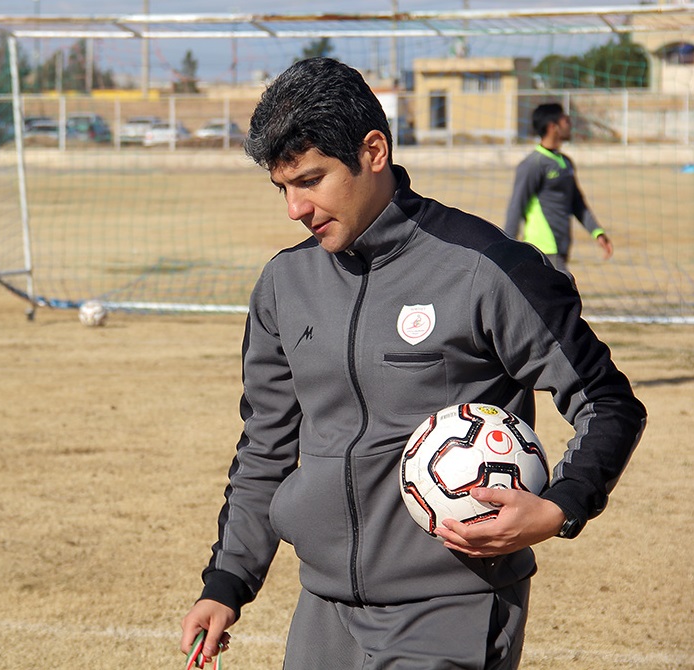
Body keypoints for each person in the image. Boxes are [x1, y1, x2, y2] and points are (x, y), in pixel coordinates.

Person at [180, 58, 646, 669]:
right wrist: (227, 582)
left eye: (312, 180)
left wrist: (560, 505)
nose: (295, 208)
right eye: (283, 188)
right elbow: (266, 444)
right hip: (324, 612)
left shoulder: (484, 268)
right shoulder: (283, 284)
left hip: (453, 605)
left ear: (374, 151)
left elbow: (608, 402)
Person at [505, 102, 613, 279]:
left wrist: (597, 232)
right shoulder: (533, 164)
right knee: (565, 297)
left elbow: (577, 203)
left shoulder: (565, 162)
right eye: (566, 120)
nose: (570, 124)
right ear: (553, 127)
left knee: (552, 303)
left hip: (561, 246)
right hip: (543, 247)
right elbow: (516, 206)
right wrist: (507, 247)